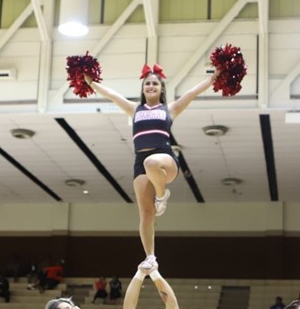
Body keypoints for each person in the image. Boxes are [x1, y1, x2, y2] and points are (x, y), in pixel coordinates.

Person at [84, 65, 219, 266]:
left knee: (152, 162)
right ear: (143, 89)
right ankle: (150, 257)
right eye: (147, 83)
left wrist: (212, 79)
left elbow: (191, 94)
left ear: (161, 88)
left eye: (155, 83)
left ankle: (162, 195)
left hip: (165, 160)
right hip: (140, 163)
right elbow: (112, 94)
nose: (151, 86)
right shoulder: (134, 109)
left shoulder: (169, 109)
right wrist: (91, 83)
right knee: (146, 214)